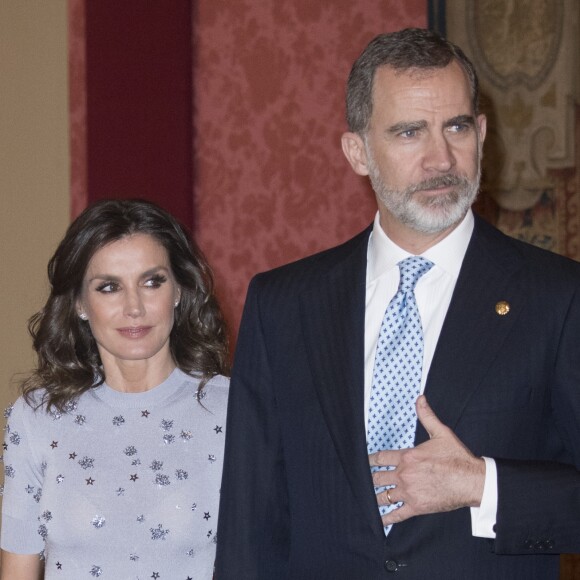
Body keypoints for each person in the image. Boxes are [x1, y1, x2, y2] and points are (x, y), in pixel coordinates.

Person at [215, 28, 580, 579]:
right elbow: (251, 525)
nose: (441, 158)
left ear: (481, 134)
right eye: (410, 132)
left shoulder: (558, 297)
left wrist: (482, 485)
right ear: (357, 152)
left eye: (456, 127)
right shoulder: (284, 305)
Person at [1, 199, 229, 579]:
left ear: (179, 291)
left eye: (152, 281)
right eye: (109, 287)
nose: (134, 307)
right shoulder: (36, 419)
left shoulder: (235, 411)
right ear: (79, 303)